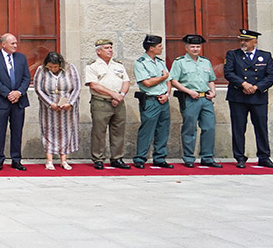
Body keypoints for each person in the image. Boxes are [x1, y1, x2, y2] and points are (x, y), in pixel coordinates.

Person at [224, 29, 273, 168]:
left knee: (261, 128)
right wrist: (243, 84)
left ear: (255, 41)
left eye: (246, 40)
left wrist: (256, 87)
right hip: (238, 97)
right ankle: (240, 157)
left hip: (258, 97)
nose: (243, 43)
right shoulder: (233, 54)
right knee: (239, 128)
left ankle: (264, 156)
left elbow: (270, 76)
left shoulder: (265, 56)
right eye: (241, 40)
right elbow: (228, 72)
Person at [169, 34, 219, 169]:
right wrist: (188, 91)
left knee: (209, 128)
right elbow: (174, 80)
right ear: (186, 48)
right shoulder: (179, 62)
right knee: (189, 129)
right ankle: (189, 157)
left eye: (198, 46)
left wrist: (213, 91)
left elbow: (211, 79)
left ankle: (207, 157)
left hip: (206, 99)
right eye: (192, 46)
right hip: (190, 98)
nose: (195, 49)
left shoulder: (205, 62)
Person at [0, 33, 31, 171]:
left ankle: (16, 160)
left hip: (19, 101)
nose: (15, 46)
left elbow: (26, 77)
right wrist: (8, 94)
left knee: (17, 131)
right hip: (1, 101)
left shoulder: (21, 58)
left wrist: (19, 92)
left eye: (16, 43)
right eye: (12, 43)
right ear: (3, 44)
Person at [84, 39, 131, 170]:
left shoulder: (118, 65)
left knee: (118, 131)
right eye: (106, 48)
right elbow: (94, 84)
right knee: (99, 131)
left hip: (119, 102)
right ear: (98, 51)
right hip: (101, 102)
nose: (110, 50)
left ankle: (117, 158)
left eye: (111, 47)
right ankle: (98, 158)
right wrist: (113, 94)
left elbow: (126, 81)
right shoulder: (92, 66)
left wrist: (121, 95)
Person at [33, 51, 81, 170]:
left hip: (67, 107)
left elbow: (77, 87)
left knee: (66, 131)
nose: (53, 69)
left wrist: (70, 102)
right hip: (49, 107)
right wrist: (50, 103)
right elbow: (38, 89)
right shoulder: (41, 70)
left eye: (55, 67)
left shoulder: (70, 68)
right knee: (49, 131)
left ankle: (64, 160)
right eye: (50, 67)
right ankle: (49, 160)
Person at [132, 34, 173, 169]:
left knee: (163, 130)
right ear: (151, 48)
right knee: (147, 130)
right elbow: (147, 82)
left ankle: (160, 157)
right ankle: (140, 158)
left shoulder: (160, 62)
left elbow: (168, 81)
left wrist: (167, 94)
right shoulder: (140, 63)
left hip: (163, 100)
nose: (162, 48)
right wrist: (162, 78)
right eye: (159, 46)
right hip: (150, 100)